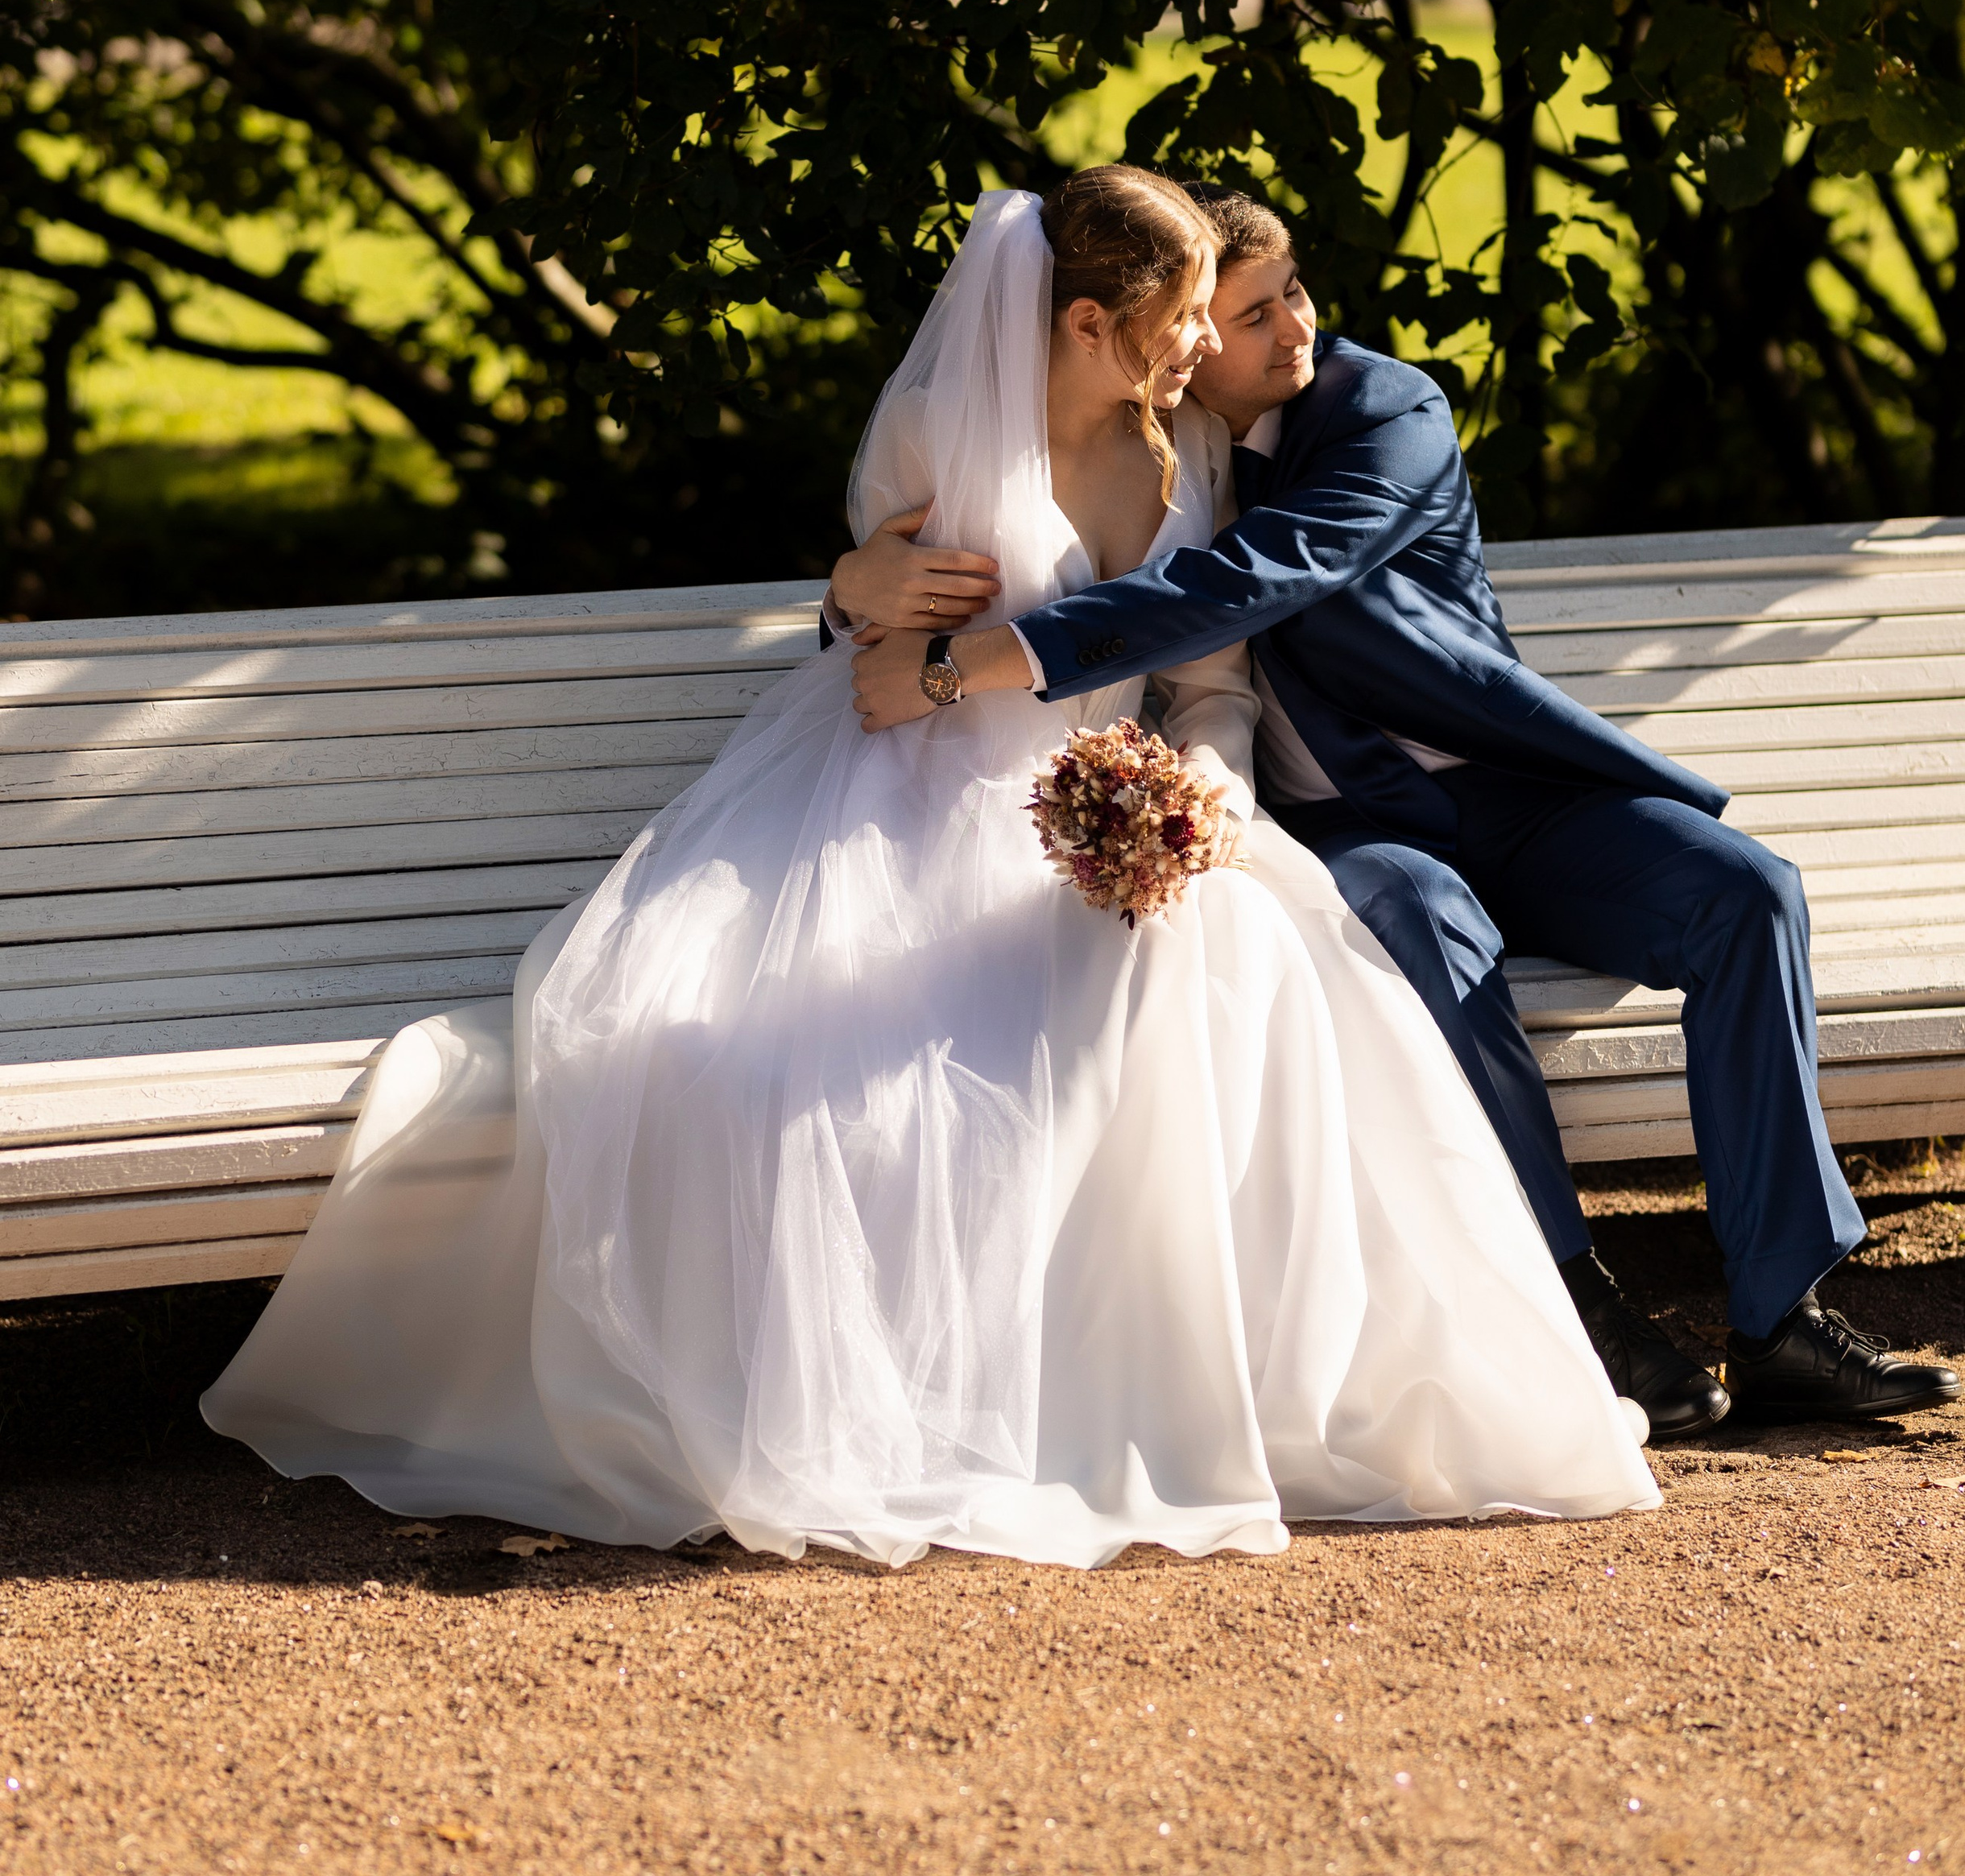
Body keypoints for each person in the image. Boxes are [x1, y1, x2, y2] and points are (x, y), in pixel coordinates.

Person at [203, 172, 1656, 1564]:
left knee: (1254, 980)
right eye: (1182, 321)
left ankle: (1198, 1394)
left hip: (1121, 793)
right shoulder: (938, 426)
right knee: (824, 1060)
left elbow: (1210, 678)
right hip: (905, 792)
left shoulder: (1191, 443)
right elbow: (876, 645)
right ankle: (935, 1413)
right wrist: (856, 596)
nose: (1207, 348)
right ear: (1088, 323)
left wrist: (1202, 795)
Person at [846, 185, 1960, 1444]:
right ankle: (1577, 1306)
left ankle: (1783, 1319)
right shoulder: (1169, 434)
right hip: (1354, 828)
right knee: (1427, 923)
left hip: (1515, 803)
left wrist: (967, 661)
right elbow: (996, 529)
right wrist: (854, 587)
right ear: (1189, 344)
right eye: (1250, 314)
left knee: (1745, 891)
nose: (1294, 329)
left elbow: (1255, 580)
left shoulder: (1385, 410)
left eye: (1293, 295)